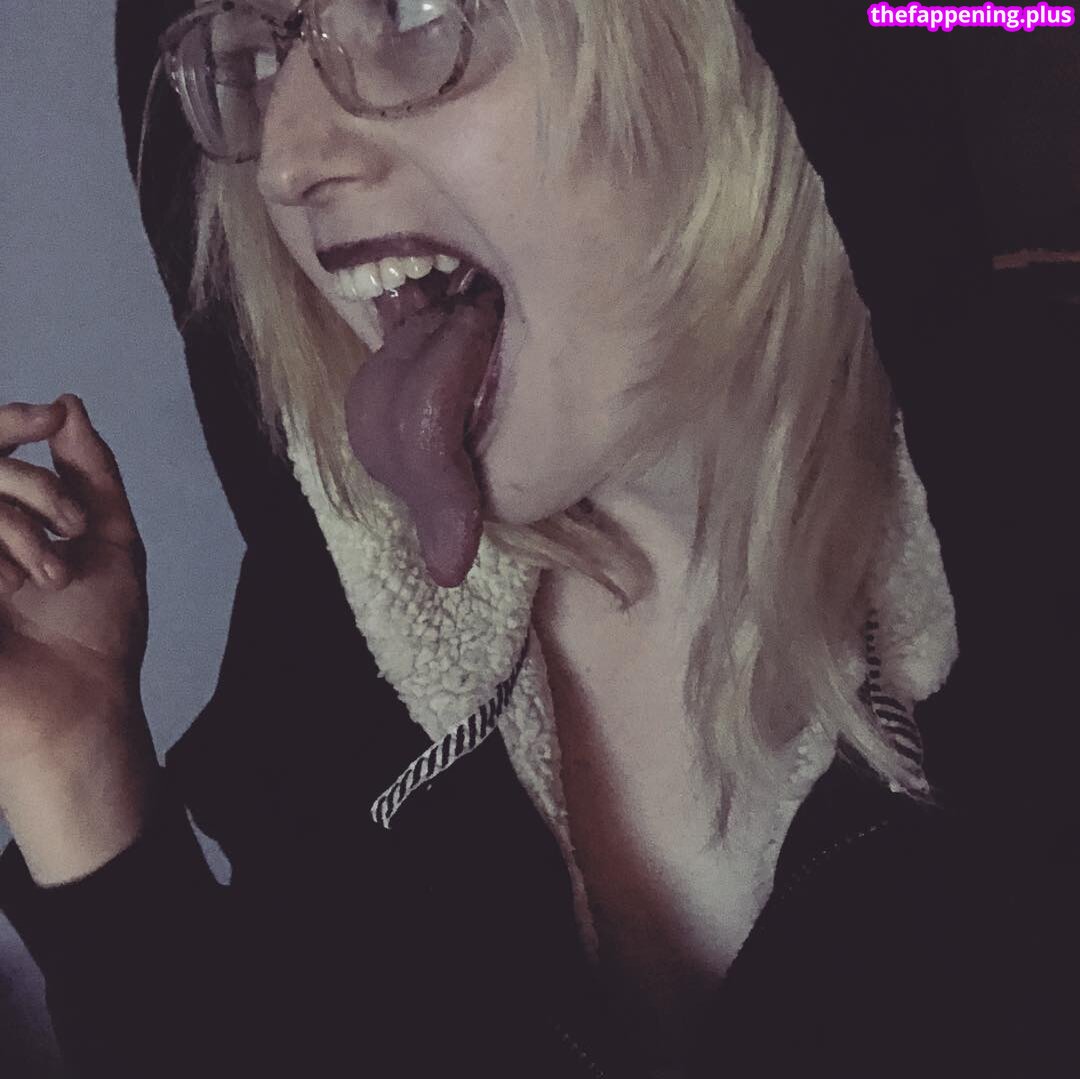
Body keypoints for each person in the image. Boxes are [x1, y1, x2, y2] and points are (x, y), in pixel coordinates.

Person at [0, 2, 1072, 1076]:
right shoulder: (334, 614)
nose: (287, 160)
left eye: (410, 8)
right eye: (255, 55)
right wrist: (75, 768)